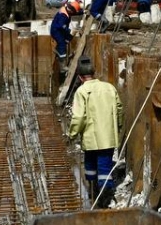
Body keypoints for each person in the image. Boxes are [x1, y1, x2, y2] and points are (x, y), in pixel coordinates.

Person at [68, 59, 122, 209]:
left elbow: (78, 117)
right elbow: (119, 109)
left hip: (91, 137)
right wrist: (117, 127)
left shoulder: (82, 91)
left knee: (90, 164)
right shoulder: (109, 88)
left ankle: (94, 194)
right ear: (93, 73)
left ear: (80, 77)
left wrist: (72, 134)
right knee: (105, 166)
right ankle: (104, 197)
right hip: (108, 137)